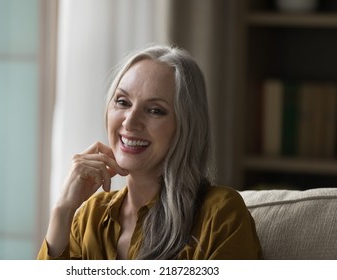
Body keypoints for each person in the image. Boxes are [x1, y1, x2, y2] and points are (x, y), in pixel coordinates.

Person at [37, 44, 262, 260]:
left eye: (155, 110)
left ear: (186, 126)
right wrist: (63, 210)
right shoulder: (90, 217)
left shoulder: (220, 215)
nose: (131, 121)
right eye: (123, 102)